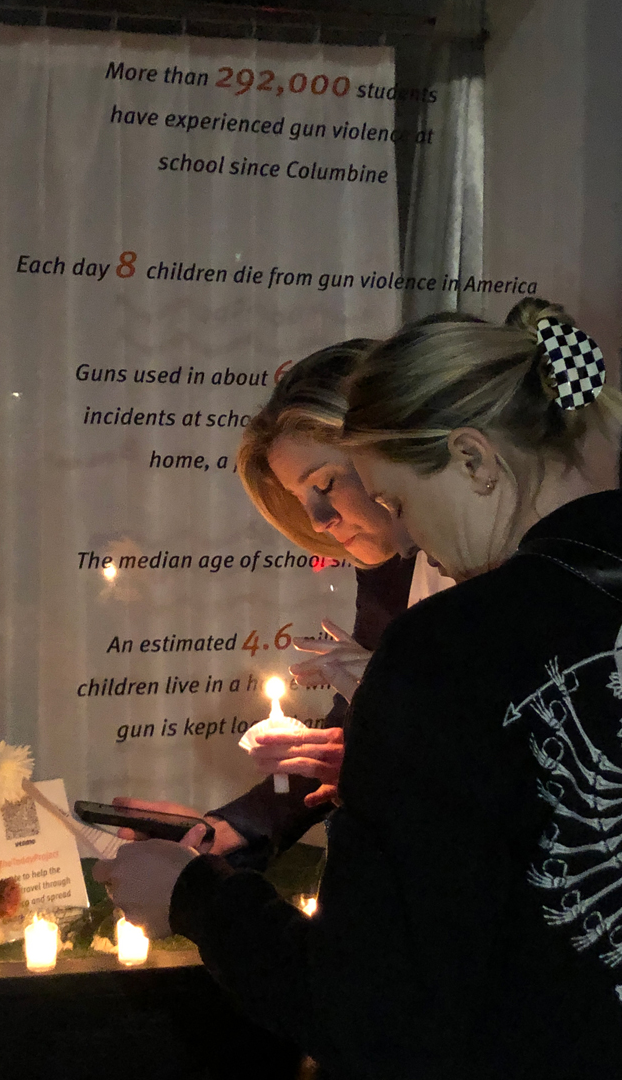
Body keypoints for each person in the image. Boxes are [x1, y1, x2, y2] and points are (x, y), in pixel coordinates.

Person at [95, 299, 622, 1080]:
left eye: (398, 502)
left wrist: (198, 897)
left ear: (475, 460)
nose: (409, 541)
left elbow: (371, 1009)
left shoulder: (450, 645)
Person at [114, 340, 450, 866]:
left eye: (326, 483)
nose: (317, 521)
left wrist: (391, 716)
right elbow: (359, 733)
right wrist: (225, 829)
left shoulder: (514, 575)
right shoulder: (387, 571)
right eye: (300, 500)